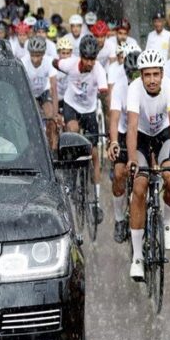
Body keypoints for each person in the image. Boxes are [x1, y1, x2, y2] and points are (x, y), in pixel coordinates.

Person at [125, 49, 170, 280]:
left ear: (162, 74)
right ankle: (137, 258)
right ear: (141, 75)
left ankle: (167, 222)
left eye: (155, 74)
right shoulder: (134, 89)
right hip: (141, 137)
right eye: (147, 75)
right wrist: (132, 158)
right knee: (139, 187)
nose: (152, 80)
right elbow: (132, 127)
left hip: (163, 135)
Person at [55, 37, 109, 213]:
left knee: (94, 153)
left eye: (93, 59)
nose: (90, 63)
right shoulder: (70, 64)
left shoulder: (98, 70)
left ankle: (96, 201)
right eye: (87, 58)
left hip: (89, 110)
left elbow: (104, 92)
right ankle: (70, 177)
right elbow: (55, 63)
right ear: (81, 56)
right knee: (73, 131)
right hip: (71, 105)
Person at [107, 50, 141, 243]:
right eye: (130, 74)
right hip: (123, 132)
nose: (134, 78)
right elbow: (114, 119)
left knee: (148, 173)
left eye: (137, 74)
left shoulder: (148, 86)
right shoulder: (120, 87)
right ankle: (119, 219)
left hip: (143, 133)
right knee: (119, 173)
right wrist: (113, 141)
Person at [21, 36, 61, 151]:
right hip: (29, 92)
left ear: (43, 54)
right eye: (32, 55)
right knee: (32, 118)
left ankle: (51, 148)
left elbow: (54, 89)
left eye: (38, 56)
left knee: (50, 117)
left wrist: (55, 115)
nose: (35, 59)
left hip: (43, 92)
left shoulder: (49, 62)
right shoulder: (23, 62)